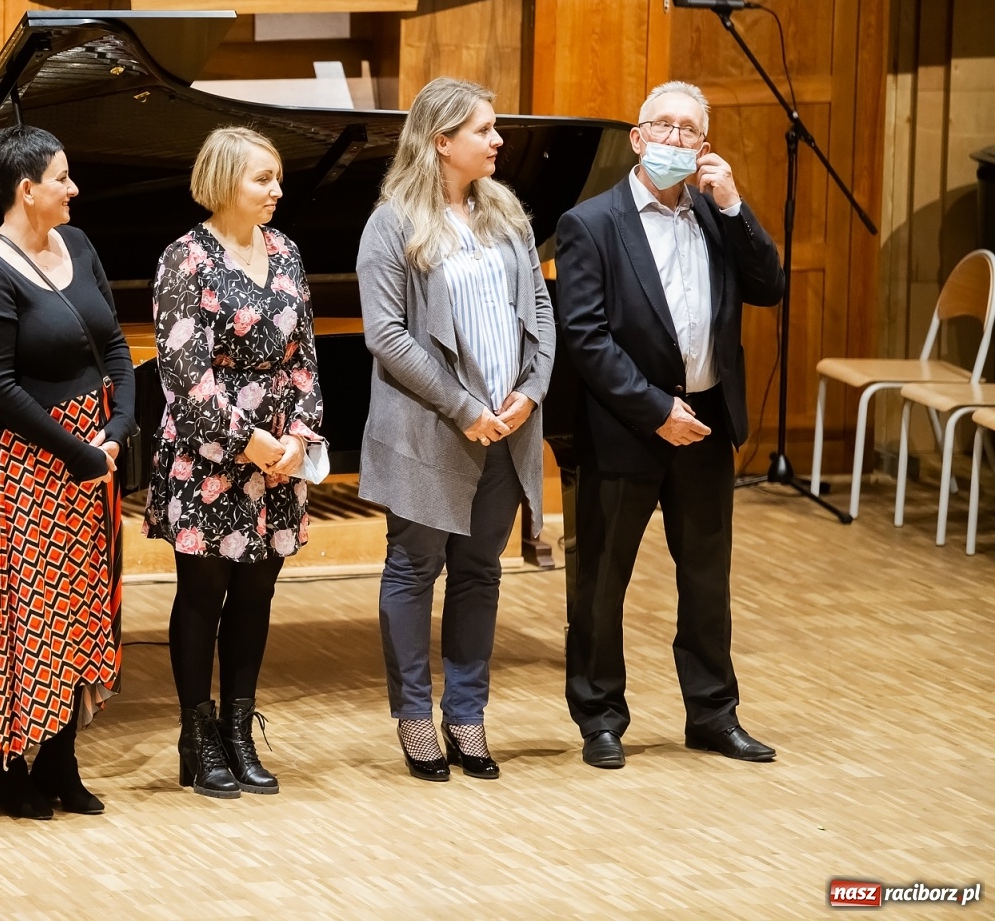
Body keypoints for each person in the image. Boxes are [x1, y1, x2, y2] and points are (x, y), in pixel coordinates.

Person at [556, 80, 785, 770]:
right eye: (664, 127)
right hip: (628, 428)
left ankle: (714, 714)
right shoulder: (591, 223)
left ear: (704, 147)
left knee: (707, 580)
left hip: (708, 424)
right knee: (601, 581)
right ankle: (600, 719)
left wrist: (735, 205)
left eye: (690, 131)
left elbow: (770, 286)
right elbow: (586, 337)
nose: (675, 140)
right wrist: (657, 410)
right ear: (637, 137)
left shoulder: (719, 217)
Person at [0, 125, 135, 820]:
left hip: (88, 459)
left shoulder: (79, 244)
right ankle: (6, 771)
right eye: (63, 178)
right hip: (21, 466)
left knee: (76, 611)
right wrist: (78, 453)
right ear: (28, 189)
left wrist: (119, 424)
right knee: (20, 620)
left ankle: (61, 763)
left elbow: (115, 346)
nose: (74, 189)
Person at [356, 78, 556, 783]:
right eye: (484, 130)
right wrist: (464, 408)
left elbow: (539, 306)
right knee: (414, 570)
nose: (498, 140)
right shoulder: (392, 223)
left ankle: (466, 716)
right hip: (433, 429)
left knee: (480, 573)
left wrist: (529, 393)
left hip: (509, 427)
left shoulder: (506, 214)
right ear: (442, 142)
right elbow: (385, 335)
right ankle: (415, 717)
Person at [144, 126, 324, 799]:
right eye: (262, 179)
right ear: (223, 181)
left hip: (280, 457)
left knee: (257, 594)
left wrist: (299, 439)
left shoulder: (286, 251)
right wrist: (250, 442)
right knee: (203, 596)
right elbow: (184, 377)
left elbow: (305, 356)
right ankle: (198, 737)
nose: (276, 190)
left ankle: (240, 731)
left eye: (277, 178)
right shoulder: (184, 258)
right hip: (211, 455)